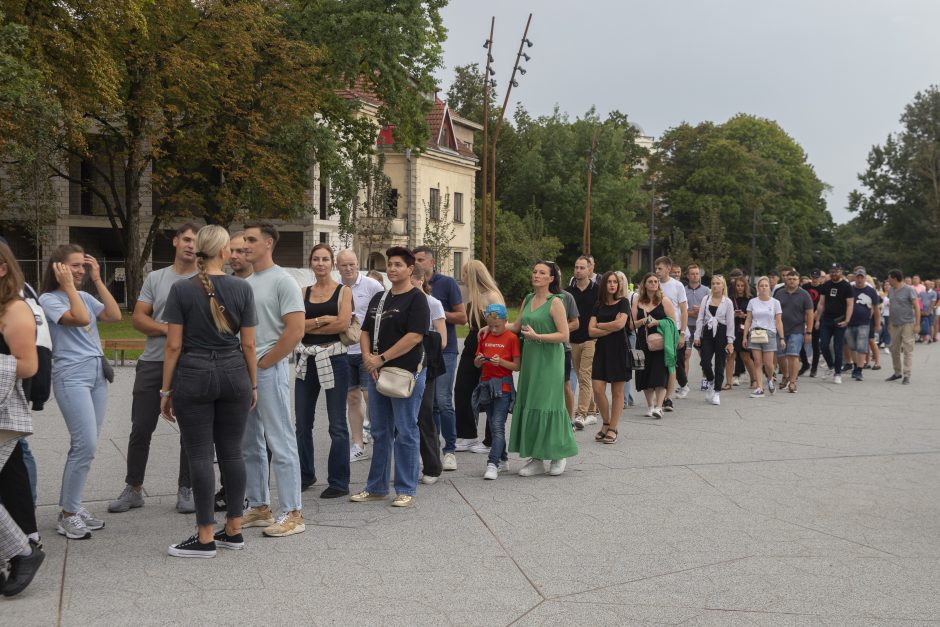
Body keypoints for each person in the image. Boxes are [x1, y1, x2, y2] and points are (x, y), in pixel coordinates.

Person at [158, 225, 257, 558]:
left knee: (199, 453)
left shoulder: (182, 290)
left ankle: (204, 536)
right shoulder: (242, 289)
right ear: (225, 252)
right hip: (234, 373)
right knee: (232, 452)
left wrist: (165, 390)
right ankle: (234, 529)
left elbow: (173, 346)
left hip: (195, 373)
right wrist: (252, 383)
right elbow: (249, 344)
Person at [108, 223, 198, 515]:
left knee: (191, 430)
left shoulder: (205, 280)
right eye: (185, 239)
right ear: (175, 241)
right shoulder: (156, 278)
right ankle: (134, 488)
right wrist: (170, 330)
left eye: (195, 241)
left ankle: (186, 488)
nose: (190, 245)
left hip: (189, 364)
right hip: (152, 363)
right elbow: (138, 319)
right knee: (141, 427)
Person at [39, 245, 122, 539]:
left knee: (88, 446)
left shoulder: (85, 295)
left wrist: (98, 280)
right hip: (70, 376)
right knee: (83, 444)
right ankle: (68, 514)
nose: (80, 271)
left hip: (96, 374)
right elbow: (80, 319)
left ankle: (72, 506)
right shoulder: (48, 299)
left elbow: (114, 315)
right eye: (74, 266)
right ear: (58, 268)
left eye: (82, 266)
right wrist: (66, 286)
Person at [240, 221, 306, 537]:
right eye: (244, 240)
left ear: (269, 243)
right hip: (246, 372)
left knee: (280, 440)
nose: (246, 245)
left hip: (269, 369)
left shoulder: (284, 281)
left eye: (251, 240)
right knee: (250, 441)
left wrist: (267, 362)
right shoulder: (247, 282)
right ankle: (259, 506)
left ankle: (292, 512)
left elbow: (295, 330)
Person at [351, 247, 429, 507]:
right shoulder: (380, 298)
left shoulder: (417, 299)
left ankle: (406, 488)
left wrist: (381, 358)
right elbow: (364, 330)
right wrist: (368, 359)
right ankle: (376, 486)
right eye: (390, 265)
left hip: (404, 373)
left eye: (398, 265)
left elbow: (415, 336)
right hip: (377, 372)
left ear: (410, 270)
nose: (392, 269)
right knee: (380, 431)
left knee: (405, 430)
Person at [0, 243, 44, 596]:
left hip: (2, 413)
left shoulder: (14, 309)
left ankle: (22, 551)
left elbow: (28, 366)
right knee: (10, 484)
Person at [506, 261, 578, 476]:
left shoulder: (556, 301)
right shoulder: (528, 298)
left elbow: (564, 335)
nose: (536, 275)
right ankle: (536, 458)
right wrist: (493, 325)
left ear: (551, 278)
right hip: (531, 359)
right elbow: (516, 326)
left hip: (549, 359)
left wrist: (538, 337)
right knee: (532, 402)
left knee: (549, 404)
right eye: (535, 271)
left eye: (542, 273)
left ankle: (558, 454)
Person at [294, 244, 352, 499]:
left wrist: (311, 326)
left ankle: (339, 481)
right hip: (306, 360)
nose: (320, 263)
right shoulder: (302, 292)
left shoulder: (343, 291)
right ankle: (306, 475)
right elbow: (296, 326)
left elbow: (342, 323)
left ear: (332, 264)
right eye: (316, 259)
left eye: (325, 259)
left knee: (337, 424)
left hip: (335, 360)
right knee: (302, 424)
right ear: (311, 262)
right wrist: (321, 321)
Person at [413, 247, 466, 459]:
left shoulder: (447, 284)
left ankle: (450, 449)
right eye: (413, 260)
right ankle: (431, 448)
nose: (417, 263)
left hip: (445, 350)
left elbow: (462, 318)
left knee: (443, 400)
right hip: (418, 353)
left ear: (432, 262)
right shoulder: (408, 287)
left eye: (421, 259)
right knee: (428, 404)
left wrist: (437, 314)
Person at [452, 260, 504, 460]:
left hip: (489, 344)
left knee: (490, 391)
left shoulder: (492, 295)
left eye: (465, 274)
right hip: (472, 343)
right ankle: (467, 434)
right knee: (462, 388)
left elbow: (500, 323)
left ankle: (491, 440)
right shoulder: (470, 294)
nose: (462, 277)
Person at [336, 250, 384, 462]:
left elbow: (383, 315)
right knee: (352, 398)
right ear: (338, 266)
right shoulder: (336, 287)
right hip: (345, 351)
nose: (348, 268)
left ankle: (381, 438)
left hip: (367, 351)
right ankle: (357, 444)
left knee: (371, 396)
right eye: (344, 265)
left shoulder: (372, 286)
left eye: (352, 264)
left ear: (358, 264)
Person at [473, 304, 520, 480]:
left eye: (497, 325)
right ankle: (503, 458)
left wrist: (500, 362)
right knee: (493, 425)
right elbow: (476, 363)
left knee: (497, 425)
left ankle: (492, 463)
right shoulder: (485, 335)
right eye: (490, 325)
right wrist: (479, 361)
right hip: (486, 384)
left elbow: (517, 366)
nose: (493, 329)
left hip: (503, 387)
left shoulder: (512, 338)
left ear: (506, 321)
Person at [412, 265, 446, 484]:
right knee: (405, 419)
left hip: (425, 364)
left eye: (414, 282)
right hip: (401, 365)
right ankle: (411, 463)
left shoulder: (433, 303)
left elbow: (442, 339)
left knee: (424, 414)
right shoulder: (400, 301)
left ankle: (432, 466)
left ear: (420, 280)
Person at [588, 271, 631, 444]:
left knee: (617, 391)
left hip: (619, 349)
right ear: (604, 285)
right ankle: (606, 421)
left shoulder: (624, 303)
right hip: (602, 350)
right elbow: (591, 331)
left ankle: (613, 427)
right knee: (597, 389)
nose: (613, 284)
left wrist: (601, 325)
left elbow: (621, 324)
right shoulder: (598, 305)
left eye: (615, 282)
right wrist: (610, 326)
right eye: (609, 282)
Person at [633, 273, 678, 419]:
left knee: (659, 373)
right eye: (650, 281)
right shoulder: (637, 301)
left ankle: (659, 407)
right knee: (643, 373)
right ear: (644, 284)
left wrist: (658, 322)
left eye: (655, 281)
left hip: (660, 341)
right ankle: (650, 406)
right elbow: (630, 324)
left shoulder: (664, 301)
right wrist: (642, 321)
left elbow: (672, 322)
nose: (653, 284)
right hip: (641, 340)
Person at [566, 256, 599, 428]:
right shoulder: (567, 292)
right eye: (576, 267)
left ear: (589, 270)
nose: (578, 270)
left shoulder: (597, 291)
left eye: (582, 267)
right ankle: (592, 412)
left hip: (591, 339)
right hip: (573, 339)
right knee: (580, 375)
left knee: (585, 375)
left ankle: (580, 414)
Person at [693, 275, 735, 405]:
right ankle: (710, 381)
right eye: (713, 283)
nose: (715, 285)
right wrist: (697, 335)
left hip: (722, 332)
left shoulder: (727, 302)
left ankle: (716, 392)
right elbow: (700, 318)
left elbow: (730, 322)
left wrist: (730, 341)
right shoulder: (706, 299)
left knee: (720, 363)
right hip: (708, 331)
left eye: (718, 283)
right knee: (705, 361)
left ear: (723, 286)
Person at [742, 276, 785, 398]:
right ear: (758, 288)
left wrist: (781, 337)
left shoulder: (775, 302)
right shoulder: (753, 302)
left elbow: (778, 321)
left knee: (769, 364)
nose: (764, 288)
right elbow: (748, 319)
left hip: (769, 333)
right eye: (761, 286)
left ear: (769, 287)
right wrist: (745, 336)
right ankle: (760, 388)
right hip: (755, 333)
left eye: (766, 285)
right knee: (757, 362)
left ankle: (770, 378)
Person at [655, 257, 688, 410]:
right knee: (658, 364)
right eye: (656, 268)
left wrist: (682, 333)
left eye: (660, 268)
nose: (657, 271)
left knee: (671, 364)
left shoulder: (678, 286)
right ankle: (659, 396)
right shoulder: (653, 284)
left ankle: (668, 398)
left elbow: (683, 310)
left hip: (673, 330)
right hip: (657, 329)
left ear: (668, 269)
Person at [774, 270, 814, 392]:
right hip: (780, 330)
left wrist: (809, 332)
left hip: (797, 330)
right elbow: (773, 310)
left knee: (793, 355)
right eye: (790, 278)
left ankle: (792, 382)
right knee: (780, 355)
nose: (792, 281)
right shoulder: (779, 293)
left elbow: (810, 314)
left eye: (794, 279)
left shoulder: (804, 294)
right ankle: (785, 376)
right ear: (786, 279)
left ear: (798, 281)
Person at [815, 263, 854, 384]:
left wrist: (847, 320)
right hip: (826, 319)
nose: (834, 274)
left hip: (840, 320)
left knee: (837, 347)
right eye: (832, 271)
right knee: (824, 345)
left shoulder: (846, 286)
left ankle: (838, 372)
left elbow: (850, 304)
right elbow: (821, 303)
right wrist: (817, 319)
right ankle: (831, 366)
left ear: (841, 272)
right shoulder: (826, 285)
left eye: (836, 271)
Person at [846, 267, 881, 381]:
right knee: (852, 346)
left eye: (862, 277)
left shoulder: (871, 290)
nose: (859, 279)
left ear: (865, 278)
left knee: (861, 346)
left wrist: (877, 324)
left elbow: (876, 309)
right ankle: (855, 366)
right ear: (854, 277)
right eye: (858, 277)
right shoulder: (849, 288)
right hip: (849, 321)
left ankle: (859, 370)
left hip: (864, 322)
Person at [886, 269, 919, 384]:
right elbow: (891, 307)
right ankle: (897, 372)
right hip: (895, 323)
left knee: (907, 349)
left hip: (908, 323)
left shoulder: (909, 289)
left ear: (894, 278)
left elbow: (917, 307)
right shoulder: (891, 290)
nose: (888, 280)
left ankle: (907, 374)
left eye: (889, 278)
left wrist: (917, 324)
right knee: (894, 349)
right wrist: (889, 323)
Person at [728, 276, 758, 389]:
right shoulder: (730, 299)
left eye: (742, 286)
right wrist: (734, 314)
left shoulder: (751, 299)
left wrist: (744, 315)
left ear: (745, 286)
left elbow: (755, 315)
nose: (740, 288)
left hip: (745, 330)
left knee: (745, 356)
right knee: (730, 355)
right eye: (738, 286)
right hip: (732, 329)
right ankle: (729, 382)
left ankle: (754, 379)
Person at [684, 264, 709, 389]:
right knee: (686, 354)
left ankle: (705, 379)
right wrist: (690, 313)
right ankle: (684, 383)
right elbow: (679, 309)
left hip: (701, 326)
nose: (695, 276)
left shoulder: (706, 290)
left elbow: (711, 309)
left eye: (697, 273)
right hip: (687, 326)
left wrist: (700, 310)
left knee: (704, 354)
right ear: (688, 276)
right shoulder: (683, 290)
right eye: (692, 273)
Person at [800, 270, 824, 377]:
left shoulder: (822, 288)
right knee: (800, 342)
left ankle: (814, 367)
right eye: (813, 277)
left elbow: (822, 304)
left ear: (820, 278)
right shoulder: (805, 287)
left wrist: (814, 316)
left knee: (814, 344)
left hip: (817, 317)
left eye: (817, 277)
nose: (815, 279)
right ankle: (805, 363)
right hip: (804, 316)